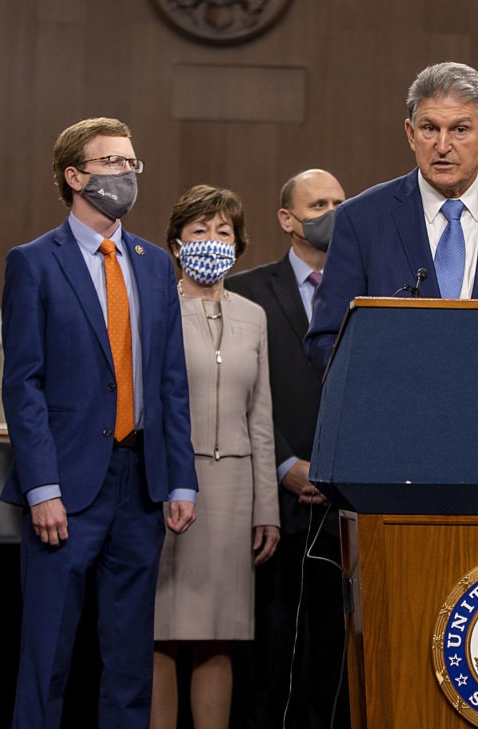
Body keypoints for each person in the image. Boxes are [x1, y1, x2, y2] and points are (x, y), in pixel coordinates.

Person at [0, 117, 198, 729]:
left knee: (131, 663)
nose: (127, 174)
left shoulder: (154, 263)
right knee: (48, 659)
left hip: (141, 484)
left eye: (132, 163)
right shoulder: (33, 262)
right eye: (112, 162)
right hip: (65, 489)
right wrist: (42, 488)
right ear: (75, 175)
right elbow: (23, 383)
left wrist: (181, 479)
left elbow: (170, 379)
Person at [306, 61, 478, 368]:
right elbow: (326, 340)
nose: (442, 145)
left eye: (460, 130)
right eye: (429, 128)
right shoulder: (361, 219)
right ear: (411, 134)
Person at [225, 169, 351, 729]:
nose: (332, 211)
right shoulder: (246, 290)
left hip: (348, 502)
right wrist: (283, 466)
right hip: (271, 503)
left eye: (339, 202)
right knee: (268, 658)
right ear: (286, 219)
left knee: (334, 659)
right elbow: (240, 393)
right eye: (318, 203)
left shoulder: (369, 286)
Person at [151, 185, 280, 729]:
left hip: (233, 492)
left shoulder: (253, 316)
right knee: (160, 633)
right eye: (199, 231)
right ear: (177, 244)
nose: (211, 241)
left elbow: (261, 417)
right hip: (169, 487)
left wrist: (267, 508)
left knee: (218, 635)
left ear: (239, 242)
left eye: (222, 231)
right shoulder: (156, 309)